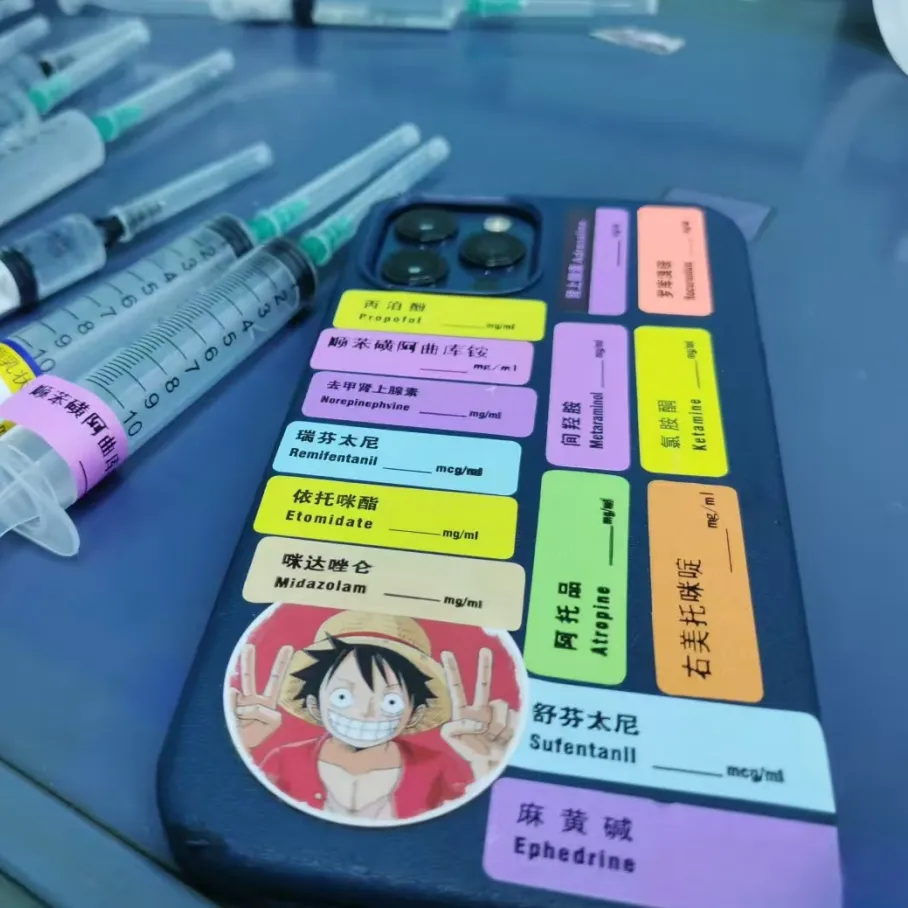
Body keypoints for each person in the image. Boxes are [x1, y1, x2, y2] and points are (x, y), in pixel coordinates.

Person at [229, 610, 519, 822]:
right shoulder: (282, 761)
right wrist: (238, 748)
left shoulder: (439, 769)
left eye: (391, 701)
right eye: (343, 696)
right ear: (315, 705)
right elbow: (242, 821)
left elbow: (463, 843)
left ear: (415, 714)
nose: (365, 711)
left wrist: (487, 769)